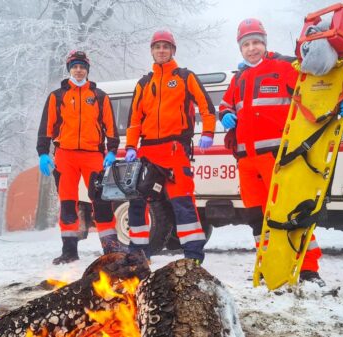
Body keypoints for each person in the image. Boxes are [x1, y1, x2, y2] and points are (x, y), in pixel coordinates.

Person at [219, 18, 343, 284]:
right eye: (246, 44)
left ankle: (308, 270)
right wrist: (224, 114)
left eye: (257, 42)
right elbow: (225, 105)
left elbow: (318, 87)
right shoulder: (239, 78)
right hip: (246, 163)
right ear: (240, 48)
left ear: (265, 43)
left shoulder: (282, 66)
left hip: (278, 159)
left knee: (292, 213)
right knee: (256, 219)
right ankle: (270, 265)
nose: (252, 48)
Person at [124, 30, 216, 264]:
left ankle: (193, 255)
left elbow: (207, 107)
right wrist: (131, 147)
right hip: (148, 153)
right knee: (136, 201)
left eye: (166, 46)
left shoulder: (186, 77)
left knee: (182, 202)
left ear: (173, 50)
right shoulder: (144, 83)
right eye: (157, 47)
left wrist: (208, 132)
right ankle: (138, 253)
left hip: (175, 151)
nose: (162, 50)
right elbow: (134, 120)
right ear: (152, 51)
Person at [37, 50, 121, 265]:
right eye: (74, 66)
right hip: (65, 156)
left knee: (101, 202)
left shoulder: (99, 96)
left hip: (93, 155)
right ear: (69, 69)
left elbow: (110, 126)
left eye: (82, 66)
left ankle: (111, 250)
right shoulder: (57, 96)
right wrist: (43, 153)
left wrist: (112, 150)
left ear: (87, 70)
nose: (79, 70)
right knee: (67, 203)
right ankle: (69, 251)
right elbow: (46, 126)